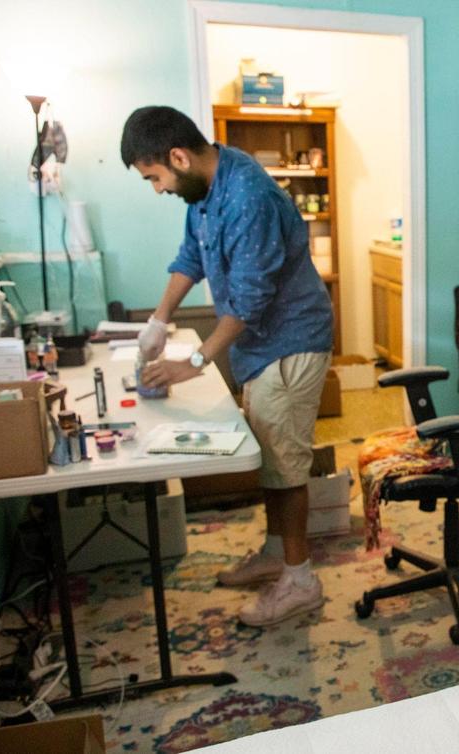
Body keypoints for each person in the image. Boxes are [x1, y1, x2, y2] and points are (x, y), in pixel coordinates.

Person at [120, 106, 333, 627]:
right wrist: (156, 322)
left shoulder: (248, 197)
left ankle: (301, 581)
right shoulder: (204, 191)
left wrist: (192, 362)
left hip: (290, 342)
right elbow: (191, 257)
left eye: (155, 177)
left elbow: (250, 301)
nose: (157, 189)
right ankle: (276, 551)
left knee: (286, 469)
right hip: (259, 346)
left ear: (178, 156)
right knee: (270, 458)